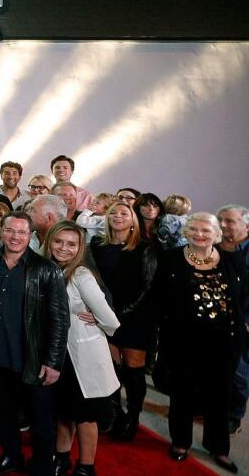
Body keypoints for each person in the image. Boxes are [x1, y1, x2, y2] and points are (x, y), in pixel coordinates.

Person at [149, 212, 242, 472]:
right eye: (194, 230)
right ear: (186, 232)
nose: (199, 235)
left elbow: (241, 297)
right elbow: (157, 299)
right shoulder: (170, 260)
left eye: (206, 230)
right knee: (182, 394)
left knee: (220, 396)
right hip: (183, 342)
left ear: (217, 234)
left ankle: (218, 448)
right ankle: (181, 442)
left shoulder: (232, 260)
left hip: (223, 342)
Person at [0, 212, 69, 476]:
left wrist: (53, 362)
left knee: (40, 419)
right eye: (10, 231)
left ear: (30, 235)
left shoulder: (45, 269)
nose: (15, 237)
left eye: (21, 232)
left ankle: (42, 466)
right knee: (4, 413)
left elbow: (59, 319)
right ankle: (12, 456)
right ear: (1, 231)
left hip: (32, 358)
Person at [46, 221, 120, 476]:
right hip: (59, 356)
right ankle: (62, 457)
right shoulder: (47, 269)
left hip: (84, 356)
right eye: (59, 242)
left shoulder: (81, 275)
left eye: (71, 244)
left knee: (86, 416)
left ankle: (86, 466)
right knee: (64, 412)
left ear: (79, 249)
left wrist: (95, 319)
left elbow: (111, 320)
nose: (64, 248)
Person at [88, 202, 155, 441]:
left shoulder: (145, 248)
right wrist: (102, 312)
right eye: (113, 213)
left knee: (133, 371)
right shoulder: (96, 244)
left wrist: (118, 314)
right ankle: (114, 412)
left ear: (133, 220)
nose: (117, 216)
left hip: (135, 317)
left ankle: (133, 417)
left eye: (123, 213)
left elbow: (147, 287)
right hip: (103, 314)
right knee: (111, 368)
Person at [217, 204, 249, 435]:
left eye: (229, 221)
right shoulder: (214, 246)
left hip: (244, 323)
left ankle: (233, 415)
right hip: (216, 319)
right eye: (220, 220)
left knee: (239, 372)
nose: (223, 225)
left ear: (246, 225)